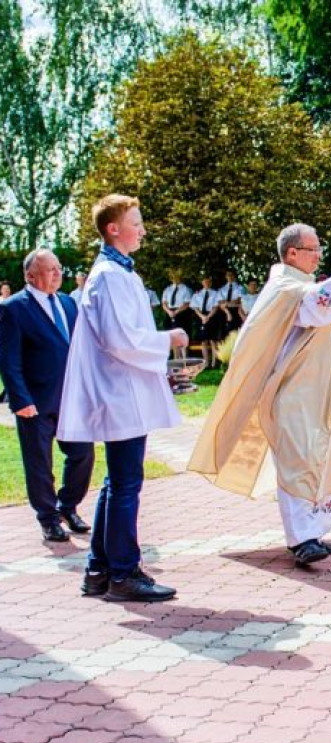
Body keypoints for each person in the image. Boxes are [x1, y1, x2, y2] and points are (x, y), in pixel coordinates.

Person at [189, 224, 331, 566]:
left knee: (322, 459)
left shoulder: (304, 286)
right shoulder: (284, 286)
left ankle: (315, 530)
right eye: (313, 249)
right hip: (292, 392)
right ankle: (301, 539)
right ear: (292, 253)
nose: (319, 254)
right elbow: (315, 304)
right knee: (298, 459)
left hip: (323, 394)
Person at [58, 194, 189, 602]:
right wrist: (167, 339)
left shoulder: (118, 273)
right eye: (136, 222)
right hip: (119, 395)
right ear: (113, 228)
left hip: (123, 392)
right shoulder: (110, 276)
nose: (143, 229)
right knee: (126, 483)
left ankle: (99, 571)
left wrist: (159, 367)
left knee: (119, 481)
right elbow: (120, 340)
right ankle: (123, 572)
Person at [0, 249, 95, 542]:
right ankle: (48, 518)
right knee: (39, 462)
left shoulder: (68, 303)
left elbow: (80, 350)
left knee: (82, 454)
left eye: (58, 268)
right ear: (30, 276)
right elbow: (8, 359)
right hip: (35, 401)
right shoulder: (14, 308)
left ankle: (67, 506)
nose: (57, 274)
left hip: (71, 398)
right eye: (49, 269)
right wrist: (20, 399)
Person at [161, 270, 194, 360]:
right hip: (170, 313)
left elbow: (187, 303)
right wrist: (169, 312)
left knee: (182, 335)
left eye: (176, 277)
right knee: (173, 336)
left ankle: (184, 358)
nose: (175, 279)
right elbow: (164, 303)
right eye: (173, 277)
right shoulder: (168, 289)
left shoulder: (185, 289)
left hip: (181, 313)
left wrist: (176, 312)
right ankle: (176, 358)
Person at [189, 275, 220, 369]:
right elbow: (195, 307)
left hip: (212, 317)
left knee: (213, 340)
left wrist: (208, 316)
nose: (206, 283)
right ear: (202, 283)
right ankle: (206, 362)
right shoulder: (197, 294)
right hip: (201, 316)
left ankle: (214, 362)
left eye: (208, 282)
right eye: (205, 282)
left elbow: (216, 307)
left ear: (210, 283)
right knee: (203, 341)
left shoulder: (215, 293)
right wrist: (202, 316)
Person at [217, 269, 246, 336]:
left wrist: (227, 303)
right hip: (224, 311)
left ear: (234, 276)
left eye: (231, 275)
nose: (230, 277)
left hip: (236, 311)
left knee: (235, 332)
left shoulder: (240, 288)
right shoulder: (222, 289)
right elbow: (220, 301)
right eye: (228, 275)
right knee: (224, 334)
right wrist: (227, 304)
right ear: (226, 276)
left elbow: (238, 300)